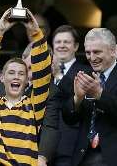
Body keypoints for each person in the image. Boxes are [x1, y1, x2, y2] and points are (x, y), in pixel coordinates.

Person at [0, 8, 51, 166]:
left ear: (26, 80)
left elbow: (43, 74)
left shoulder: (34, 106)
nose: (16, 76)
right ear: (2, 78)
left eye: (21, 74)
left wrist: (36, 32)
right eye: (11, 72)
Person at [62, 28, 117, 166]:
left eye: (97, 52)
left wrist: (99, 94)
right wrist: (77, 99)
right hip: (83, 156)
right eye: (88, 52)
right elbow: (69, 119)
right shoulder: (85, 75)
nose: (92, 58)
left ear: (113, 51)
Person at [38, 25, 91, 166]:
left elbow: (81, 98)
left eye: (66, 42)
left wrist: (58, 75)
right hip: (42, 144)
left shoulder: (87, 71)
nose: (61, 45)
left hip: (69, 143)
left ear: (76, 46)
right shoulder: (41, 72)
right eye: (58, 42)